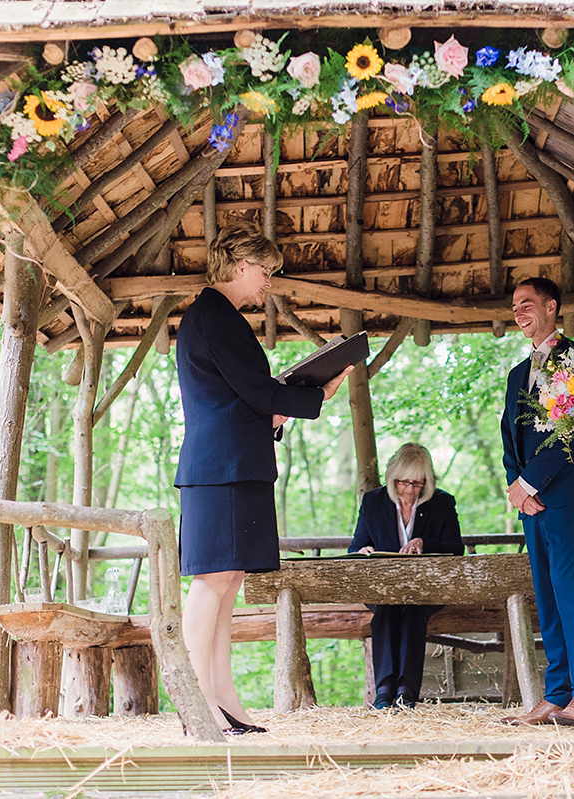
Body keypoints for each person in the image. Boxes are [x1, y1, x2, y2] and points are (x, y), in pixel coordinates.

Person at [175, 221, 352, 735]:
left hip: (234, 462)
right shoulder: (216, 315)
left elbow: (240, 399)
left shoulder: (214, 317)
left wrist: (286, 405)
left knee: (228, 583)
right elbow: (257, 391)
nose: (269, 282)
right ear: (239, 265)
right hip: (220, 468)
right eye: (265, 271)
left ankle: (224, 702)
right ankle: (196, 705)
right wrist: (315, 395)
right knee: (211, 583)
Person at [499, 277, 574, 727]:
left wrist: (531, 483)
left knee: (568, 591)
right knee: (545, 596)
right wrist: (516, 487)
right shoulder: (517, 374)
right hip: (531, 501)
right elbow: (510, 437)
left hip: (566, 497)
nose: (519, 313)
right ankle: (555, 693)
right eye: (515, 307)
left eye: (527, 304)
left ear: (552, 306)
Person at [348, 443, 464, 709]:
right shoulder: (373, 501)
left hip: (428, 589)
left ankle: (406, 692)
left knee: (412, 611)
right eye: (404, 483)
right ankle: (384, 690)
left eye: (418, 483)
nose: (410, 490)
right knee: (387, 611)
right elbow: (355, 547)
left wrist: (425, 542)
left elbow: (455, 549)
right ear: (392, 479)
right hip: (383, 589)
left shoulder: (442, 503)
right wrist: (363, 551)